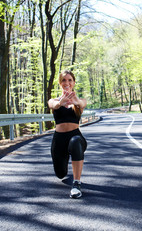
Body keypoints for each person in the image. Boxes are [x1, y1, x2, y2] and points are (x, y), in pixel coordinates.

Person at [48, 70, 87, 199]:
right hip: (59, 140)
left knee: (75, 142)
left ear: (74, 83)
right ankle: (67, 172)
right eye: (64, 80)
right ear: (60, 83)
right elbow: (52, 104)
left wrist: (76, 102)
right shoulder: (53, 101)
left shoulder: (79, 101)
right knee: (60, 174)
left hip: (76, 136)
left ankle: (76, 184)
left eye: (70, 80)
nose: (67, 83)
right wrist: (60, 103)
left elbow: (82, 104)